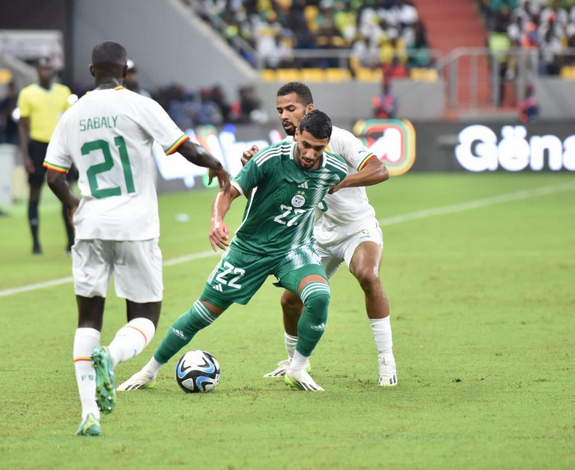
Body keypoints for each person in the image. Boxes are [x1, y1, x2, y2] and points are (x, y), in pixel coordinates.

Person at [43, 41, 230, 437]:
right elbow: (186, 149)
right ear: (124, 71)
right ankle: (110, 358)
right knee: (144, 317)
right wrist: (216, 164)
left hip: (91, 225)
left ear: (92, 71)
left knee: (88, 317)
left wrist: (75, 206)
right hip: (136, 228)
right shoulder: (140, 104)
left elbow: (54, 177)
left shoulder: (71, 115)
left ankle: (88, 411)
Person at [118, 110, 348, 397]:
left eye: (319, 148)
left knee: (319, 295)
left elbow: (337, 189)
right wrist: (217, 220)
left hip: (293, 249)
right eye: (306, 145)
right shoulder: (269, 159)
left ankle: (297, 368)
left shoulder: (334, 169)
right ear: (297, 134)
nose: (311, 154)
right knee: (201, 314)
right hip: (249, 251)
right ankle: (149, 371)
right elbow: (228, 192)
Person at [243, 82, 396, 386]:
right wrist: (253, 170)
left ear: (308, 109)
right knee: (289, 301)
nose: (284, 116)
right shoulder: (287, 149)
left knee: (367, 274)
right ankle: (295, 363)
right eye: (280, 110)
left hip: (356, 227)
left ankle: (386, 360)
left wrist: (341, 182)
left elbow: (380, 170)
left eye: (291, 108)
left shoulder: (338, 139)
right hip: (318, 235)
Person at [18, 57, 76, 255]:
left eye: (49, 69)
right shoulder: (27, 94)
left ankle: (71, 241)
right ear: (37, 71)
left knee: (66, 191)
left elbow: (71, 123)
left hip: (61, 146)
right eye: (42, 68)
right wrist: (25, 155)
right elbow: (23, 127)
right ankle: (35, 243)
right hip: (38, 146)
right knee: (35, 193)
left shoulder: (64, 92)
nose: (46, 72)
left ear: (54, 71)